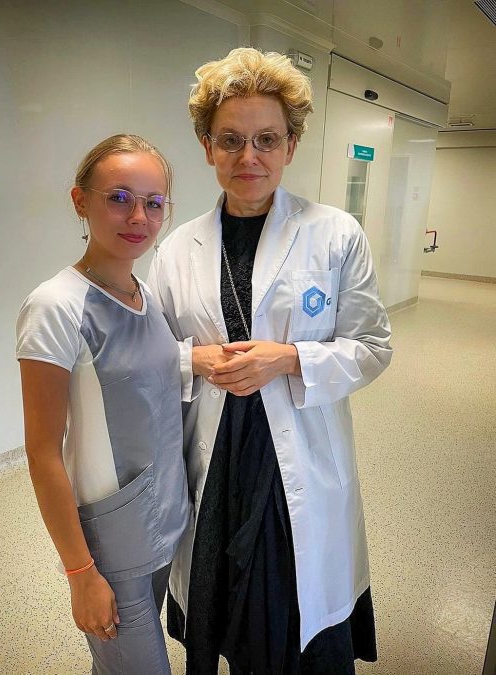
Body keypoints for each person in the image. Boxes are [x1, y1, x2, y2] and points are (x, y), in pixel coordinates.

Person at [147, 48, 393, 674]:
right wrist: (195, 359)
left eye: (266, 140)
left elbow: (372, 346)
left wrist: (289, 358)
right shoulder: (177, 248)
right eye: (230, 139)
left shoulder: (334, 233)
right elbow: (149, 356)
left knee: (290, 605)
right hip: (216, 452)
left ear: (291, 145)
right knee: (220, 597)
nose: (248, 157)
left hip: (295, 452)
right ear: (207, 146)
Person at [16, 134, 189, 675]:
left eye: (153, 202)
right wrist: (80, 574)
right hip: (111, 545)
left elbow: (151, 379)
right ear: (80, 202)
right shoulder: (55, 306)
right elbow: (42, 454)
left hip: (166, 517)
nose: (138, 216)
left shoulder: (146, 294)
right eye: (119, 198)